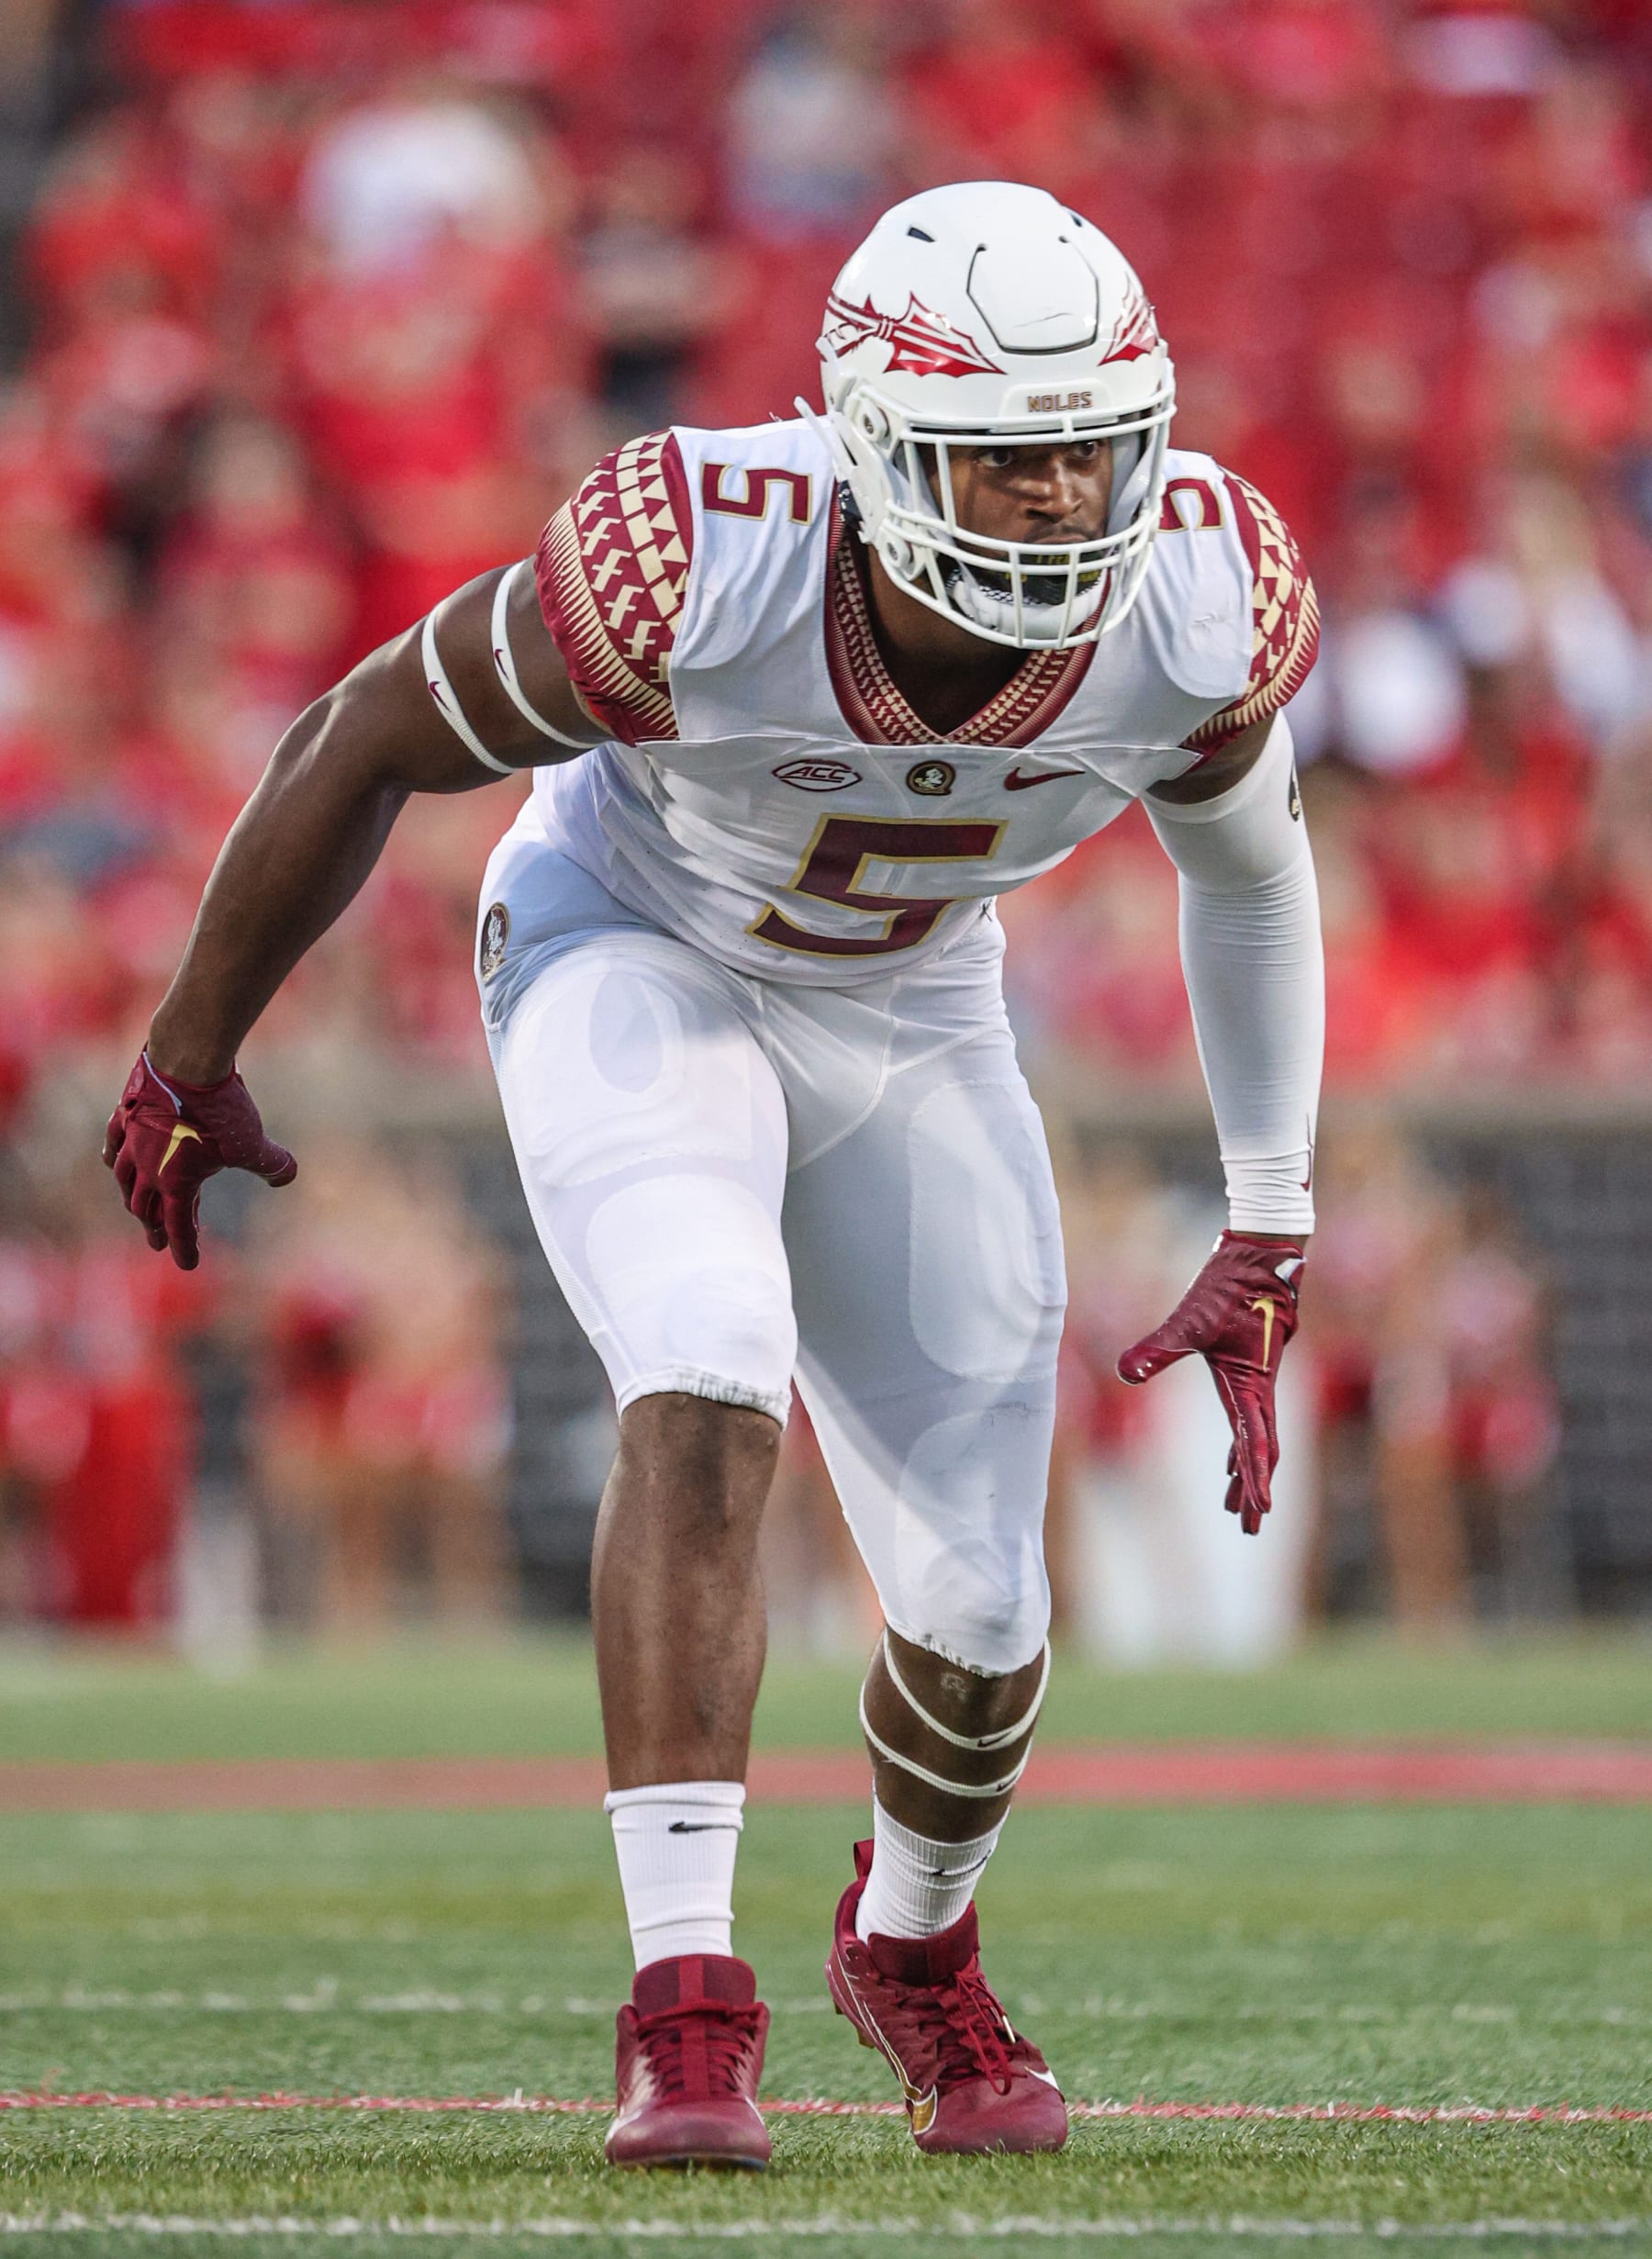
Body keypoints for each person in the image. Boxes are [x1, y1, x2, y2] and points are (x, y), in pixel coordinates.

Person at [104, 182, 1323, 2169]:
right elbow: (364, 734)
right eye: (1004, 466)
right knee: (705, 1351)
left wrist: (1270, 1208)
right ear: (872, 442)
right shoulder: (704, 557)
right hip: (635, 947)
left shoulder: (1195, 590)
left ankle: (908, 1948)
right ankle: (686, 2008)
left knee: (988, 1598)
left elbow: (1257, 872)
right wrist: (189, 1041)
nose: (1060, 505)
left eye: (1094, 452)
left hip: (916, 1009)